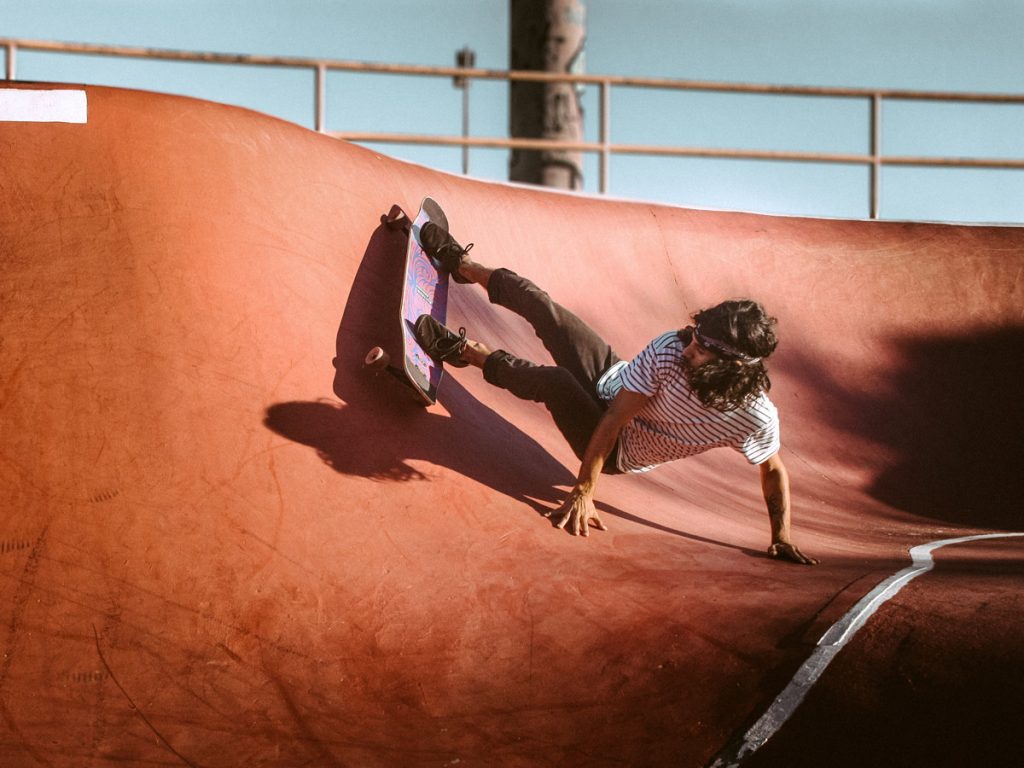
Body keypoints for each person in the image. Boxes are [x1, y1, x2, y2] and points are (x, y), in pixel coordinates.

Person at [412, 222, 817, 565]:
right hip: (613, 384)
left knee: (556, 383)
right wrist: (582, 489)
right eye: (695, 336)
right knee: (544, 308)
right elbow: (616, 411)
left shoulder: (753, 415)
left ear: (732, 365)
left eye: (702, 350)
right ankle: (463, 266)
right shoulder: (671, 349)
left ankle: (464, 352)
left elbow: (772, 467)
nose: (689, 348)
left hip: (619, 450)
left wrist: (780, 536)